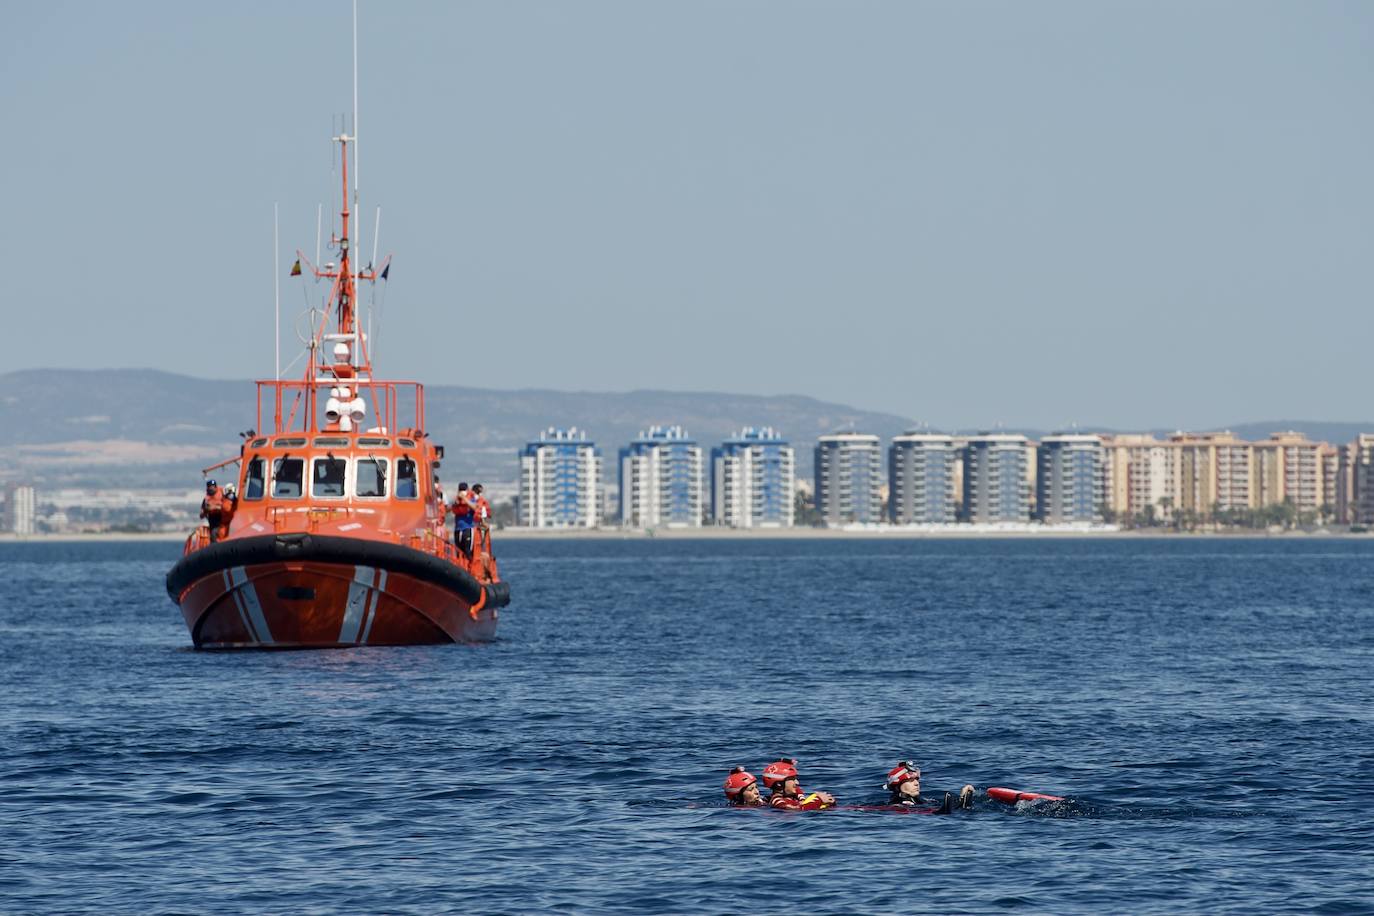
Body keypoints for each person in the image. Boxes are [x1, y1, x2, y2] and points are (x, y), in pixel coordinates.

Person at [885, 761, 975, 812]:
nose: (916, 783)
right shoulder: (899, 806)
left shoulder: (919, 799)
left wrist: (961, 798)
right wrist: (942, 811)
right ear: (897, 786)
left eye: (917, 780)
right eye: (911, 781)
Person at [761, 758, 836, 810]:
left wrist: (829, 801)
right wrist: (819, 800)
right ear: (779, 784)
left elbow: (798, 793)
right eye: (792, 779)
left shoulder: (792, 795)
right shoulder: (777, 801)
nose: (797, 782)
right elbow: (798, 810)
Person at [450, 482, 477, 557]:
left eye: (464, 490)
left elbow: (475, 507)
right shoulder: (456, 499)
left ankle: (469, 566)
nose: (462, 492)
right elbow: (450, 509)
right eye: (461, 490)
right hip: (458, 529)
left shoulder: (471, 498)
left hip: (467, 528)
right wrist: (456, 503)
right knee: (459, 551)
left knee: (467, 551)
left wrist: (465, 498)